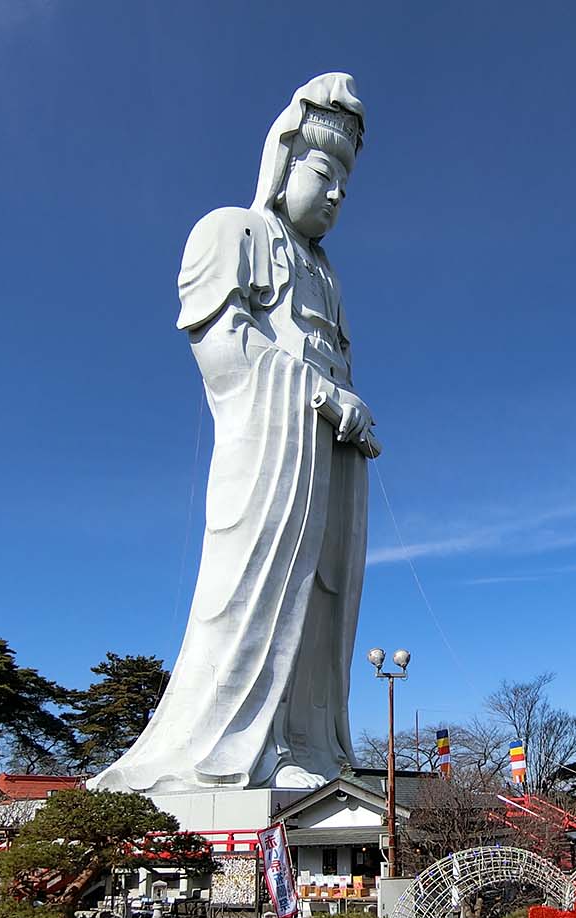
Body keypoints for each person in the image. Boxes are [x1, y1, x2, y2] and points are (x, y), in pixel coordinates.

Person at [89, 74, 378, 794]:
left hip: (330, 454)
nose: (339, 194)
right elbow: (223, 350)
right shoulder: (231, 232)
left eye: (347, 179)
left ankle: (306, 743)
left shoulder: (330, 278)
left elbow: (335, 363)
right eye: (325, 172)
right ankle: (223, 751)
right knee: (255, 585)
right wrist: (317, 392)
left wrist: (348, 408)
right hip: (272, 447)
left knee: (325, 595)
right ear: (284, 162)